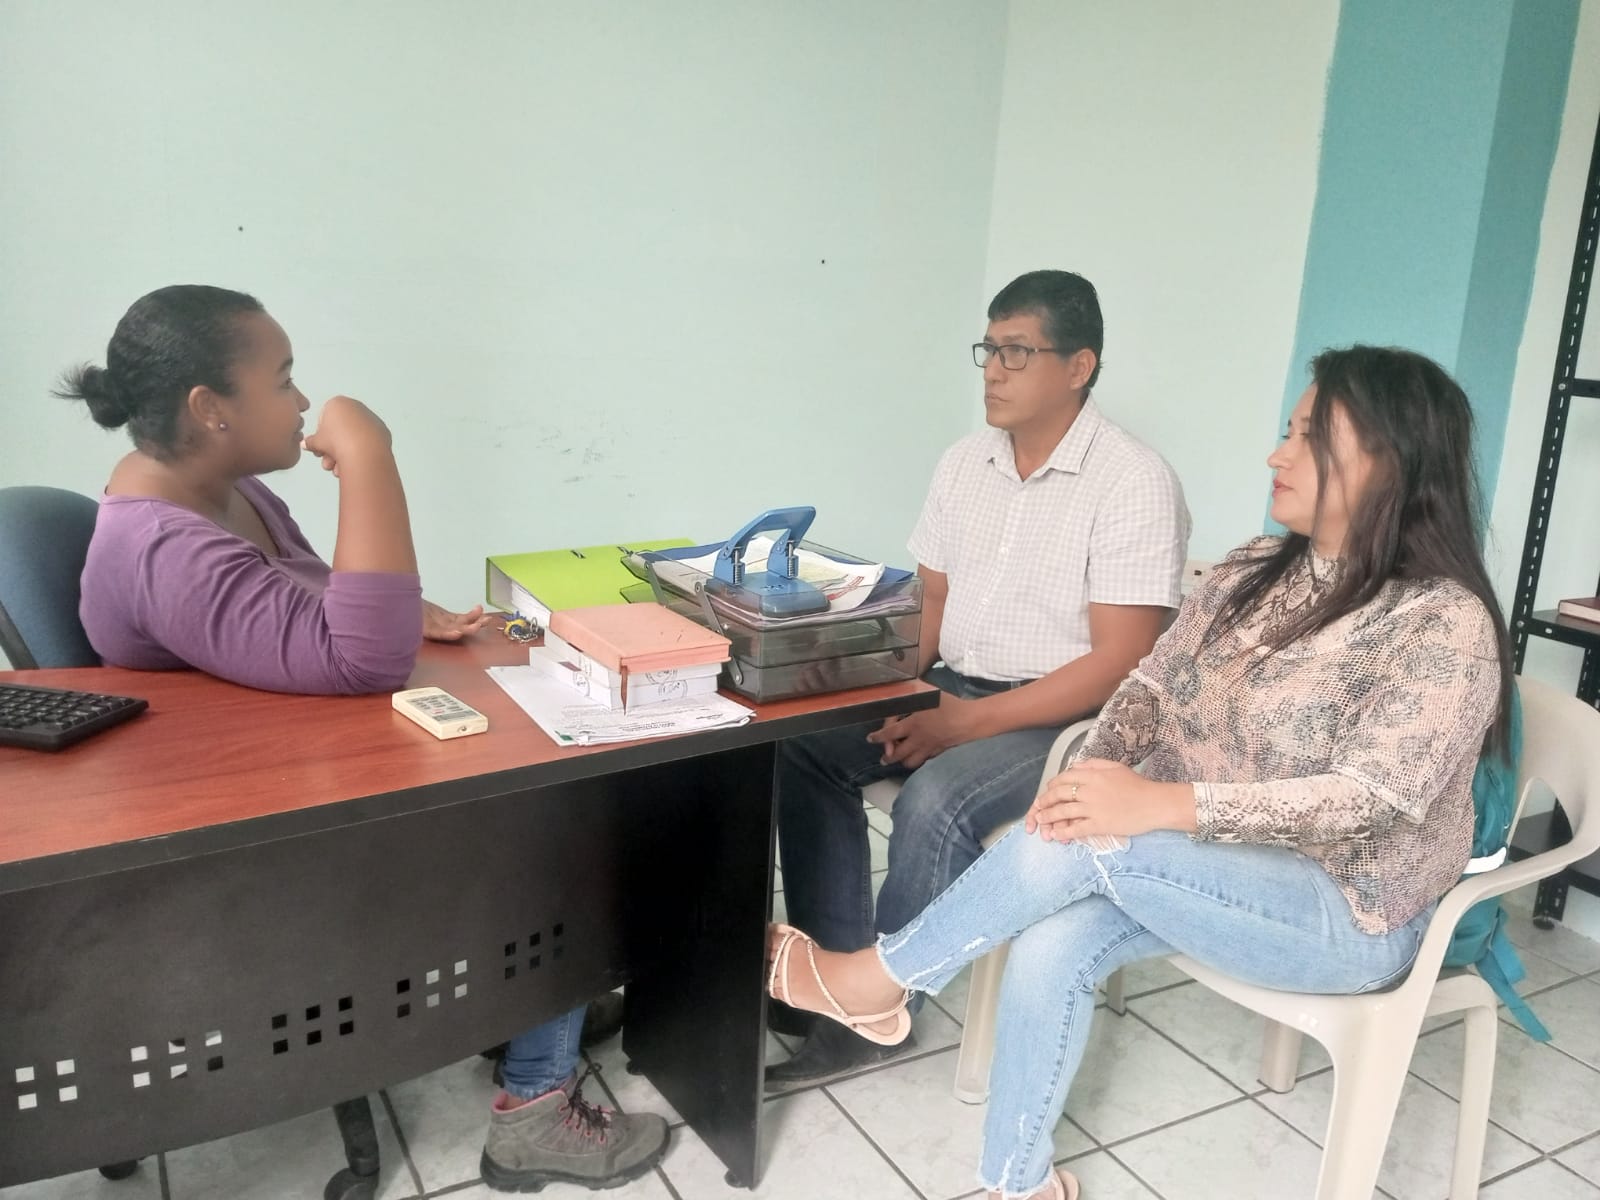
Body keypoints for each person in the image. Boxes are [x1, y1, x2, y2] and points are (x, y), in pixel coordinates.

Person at [763, 345, 1513, 1200]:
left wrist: (1158, 804)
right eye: (1287, 429)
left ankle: (878, 979)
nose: (1277, 453)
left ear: (1393, 462)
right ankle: (1019, 1183)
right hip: (1220, 868)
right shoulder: (1252, 572)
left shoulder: (1443, 624)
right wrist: (1094, 778)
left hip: (1349, 911)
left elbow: (1368, 801)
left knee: (1100, 839)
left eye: (1310, 438)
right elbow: (1149, 688)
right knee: (1054, 930)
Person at [62, 284, 667, 1193]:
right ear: (210, 408)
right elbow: (359, 660)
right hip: (265, 842)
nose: (303, 401)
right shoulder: (162, 547)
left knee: (559, 759)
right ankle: (535, 1107)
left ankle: (529, 998)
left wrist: (402, 610)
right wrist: (372, 457)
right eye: (283, 380)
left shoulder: (221, 488)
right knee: (558, 815)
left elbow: (305, 592)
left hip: (307, 768)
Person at [769, 270, 1189, 1086]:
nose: (993, 371)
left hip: (1070, 722)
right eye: (988, 350)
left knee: (938, 798)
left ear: (1078, 367)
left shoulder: (1134, 481)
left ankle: (876, 1012)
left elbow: (1120, 664)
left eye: (1016, 352)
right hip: (955, 685)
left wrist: (962, 725)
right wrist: (883, 685)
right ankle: (831, 972)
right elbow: (932, 601)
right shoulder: (965, 462)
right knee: (803, 744)